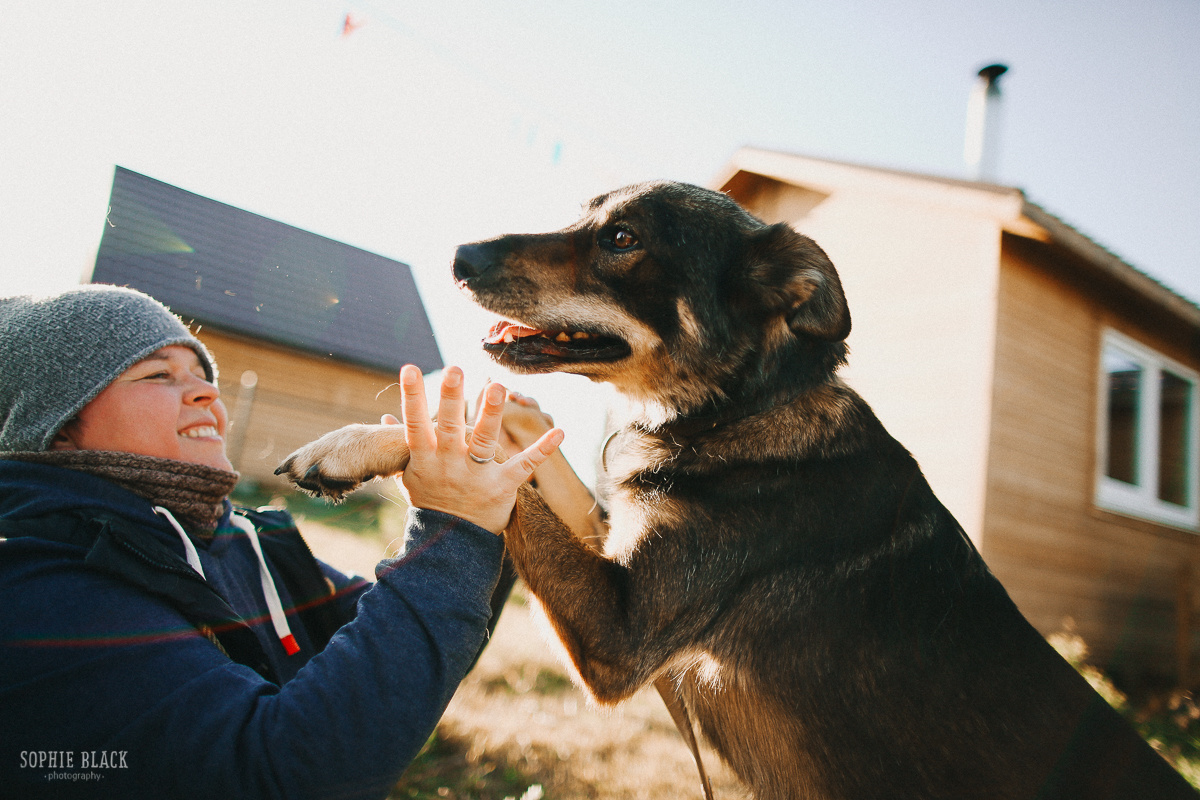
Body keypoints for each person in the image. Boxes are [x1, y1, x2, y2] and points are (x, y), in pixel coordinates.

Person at [0, 285, 563, 799]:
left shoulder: (247, 542)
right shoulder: (42, 592)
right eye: (157, 375)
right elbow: (277, 775)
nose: (206, 392)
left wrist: (495, 495)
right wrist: (453, 526)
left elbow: (406, 664)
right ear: (57, 423)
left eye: (202, 373)